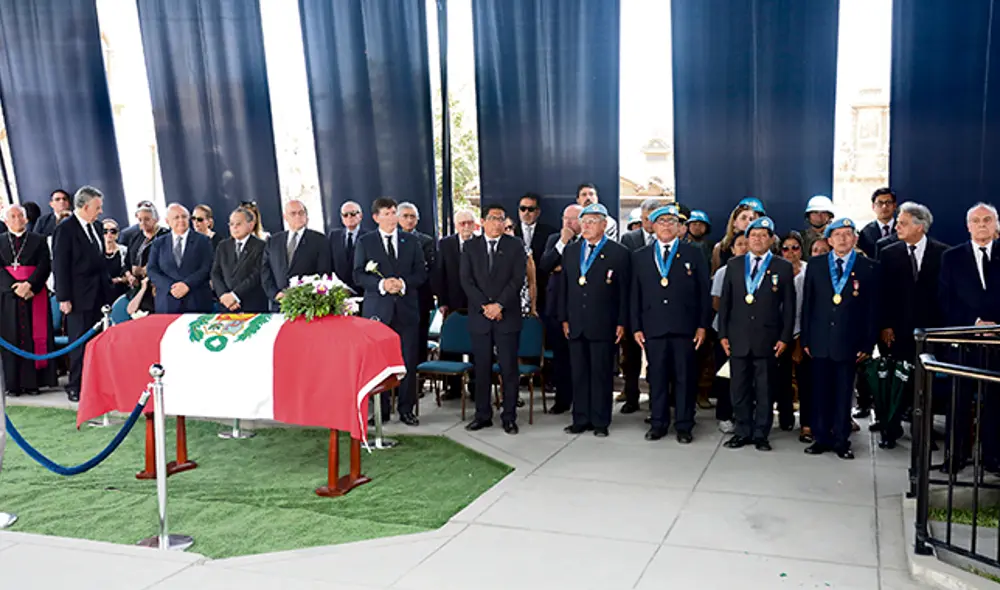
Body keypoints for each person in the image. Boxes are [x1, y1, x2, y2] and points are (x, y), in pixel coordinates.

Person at [631, 205, 711, 444]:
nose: (666, 225)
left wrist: (702, 325)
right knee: (656, 377)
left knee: (684, 377)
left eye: (671, 221)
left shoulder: (694, 252)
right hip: (653, 327)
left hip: (685, 328)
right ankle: (658, 422)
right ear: (652, 226)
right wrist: (635, 326)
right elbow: (635, 294)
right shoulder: (641, 256)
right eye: (661, 221)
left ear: (680, 227)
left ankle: (685, 425)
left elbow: (703, 293)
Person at [801, 218, 878, 460]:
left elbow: (872, 310)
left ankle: (841, 440)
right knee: (820, 391)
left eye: (848, 234)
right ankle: (820, 437)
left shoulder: (868, 267)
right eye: (838, 235)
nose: (843, 239)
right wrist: (806, 338)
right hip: (820, 340)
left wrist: (868, 343)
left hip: (849, 341)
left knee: (844, 393)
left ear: (855, 238)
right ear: (829, 240)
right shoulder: (816, 265)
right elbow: (808, 305)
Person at [718, 217, 795, 451]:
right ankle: (742, 430)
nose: (758, 239)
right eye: (753, 235)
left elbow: (789, 306)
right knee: (738, 388)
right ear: (746, 238)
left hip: (768, 340)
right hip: (738, 338)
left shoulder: (782, 267)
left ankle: (761, 433)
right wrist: (722, 334)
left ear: (771, 239)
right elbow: (725, 304)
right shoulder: (734, 264)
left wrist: (784, 337)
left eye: (763, 235)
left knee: (764, 389)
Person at [876, 202, 947, 449]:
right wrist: (884, 325)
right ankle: (890, 429)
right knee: (895, 383)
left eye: (903, 223)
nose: (897, 226)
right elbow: (882, 293)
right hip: (896, 331)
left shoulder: (942, 254)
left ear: (919, 226)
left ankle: (923, 433)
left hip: (929, 333)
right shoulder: (887, 252)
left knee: (923, 385)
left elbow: (944, 297)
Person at [938, 203, 1000, 472]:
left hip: (998, 344)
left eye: (988, 219)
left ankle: (992, 457)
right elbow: (945, 300)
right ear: (968, 226)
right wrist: (975, 323)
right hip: (965, 341)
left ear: (997, 225)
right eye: (976, 220)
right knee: (959, 401)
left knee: (996, 402)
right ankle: (956, 455)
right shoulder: (952, 257)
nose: (982, 224)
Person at [353, 197, 426, 426]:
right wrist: (382, 285)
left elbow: (421, 273)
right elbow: (357, 274)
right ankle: (381, 409)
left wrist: (402, 283)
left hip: (406, 310)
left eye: (394, 212)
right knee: (380, 363)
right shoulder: (366, 242)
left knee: (408, 360)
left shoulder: (411, 241)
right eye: (387, 213)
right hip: (378, 312)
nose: (393, 217)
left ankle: (407, 409)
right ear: (376, 217)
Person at [558, 204, 629, 437]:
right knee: (578, 372)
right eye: (584, 221)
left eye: (592, 221)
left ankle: (600, 421)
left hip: (604, 323)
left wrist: (621, 322)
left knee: (600, 373)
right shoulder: (571, 250)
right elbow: (564, 287)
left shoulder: (619, 253)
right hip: (576, 322)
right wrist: (564, 318)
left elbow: (624, 292)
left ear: (604, 224)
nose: (586, 226)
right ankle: (580, 418)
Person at [460, 203, 526, 434]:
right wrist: (485, 306)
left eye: (501, 218)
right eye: (493, 218)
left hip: (506, 316)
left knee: (508, 369)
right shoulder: (470, 247)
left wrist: (498, 305)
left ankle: (509, 416)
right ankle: (482, 414)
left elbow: (517, 280)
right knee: (482, 368)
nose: (498, 223)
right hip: (480, 318)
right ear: (483, 221)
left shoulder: (515, 245)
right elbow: (466, 281)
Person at [52, 186, 111, 402]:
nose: (100, 211)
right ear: (85, 206)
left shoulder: (95, 226)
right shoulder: (66, 229)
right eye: (97, 207)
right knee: (79, 343)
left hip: (99, 295)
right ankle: (75, 385)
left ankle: (96, 383)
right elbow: (60, 265)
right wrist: (63, 297)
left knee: (97, 343)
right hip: (78, 297)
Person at [0, 204, 56, 397]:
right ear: (6, 220)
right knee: (11, 336)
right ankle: (12, 384)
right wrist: (14, 287)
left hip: (34, 294)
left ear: (26, 219)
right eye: (12, 216)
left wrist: (30, 285)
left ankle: (33, 383)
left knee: (34, 336)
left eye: (20, 216)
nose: (17, 220)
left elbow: (45, 265)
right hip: (8, 298)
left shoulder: (38, 240)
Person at [538, 204, 583, 414]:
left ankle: (583, 400)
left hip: (580, 307)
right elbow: (545, 265)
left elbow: (577, 271)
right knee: (560, 357)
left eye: (573, 219)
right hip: (556, 307)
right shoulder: (554, 239)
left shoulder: (588, 241)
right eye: (565, 218)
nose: (568, 223)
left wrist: (561, 267)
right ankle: (562, 400)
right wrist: (563, 242)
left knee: (581, 357)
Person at [618, 198, 660, 413]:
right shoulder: (629, 239)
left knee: (656, 359)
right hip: (634, 306)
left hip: (657, 309)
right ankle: (631, 397)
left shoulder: (667, 242)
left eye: (651, 220)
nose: (648, 224)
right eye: (644, 219)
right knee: (631, 358)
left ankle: (656, 401)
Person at [434, 209, 477, 399]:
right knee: (451, 346)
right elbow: (439, 274)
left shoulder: (481, 243)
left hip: (477, 304)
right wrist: (442, 302)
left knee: (478, 346)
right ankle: (453, 388)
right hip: (452, 302)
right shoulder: (445, 244)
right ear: (456, 225)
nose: (466, 227)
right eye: (462, 223)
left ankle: (477, 387)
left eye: (469, 222)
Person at [774, 231, 812, 441]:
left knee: (806, 380)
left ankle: (806, 422)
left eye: (795, 248)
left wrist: (800, 340)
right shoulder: (775, 270)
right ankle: (785, 416)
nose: (790, 252)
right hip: (779, 333)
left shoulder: (809, 271)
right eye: (786, 248)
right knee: (781, 378)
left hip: (803, 333)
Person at [710, 230, 749, 434]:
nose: (744, 247)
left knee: (747, 377)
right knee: (725, 376)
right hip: (725, 331)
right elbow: (716, 302)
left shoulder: (758, 269)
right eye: (739, 244)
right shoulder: (724, 272)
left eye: (746, 243)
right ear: (732, 249)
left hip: (750, 333)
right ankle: (724, 415)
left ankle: (744, 415)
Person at [262, 200, 332, 311]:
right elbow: (265, 271)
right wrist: (275, 294)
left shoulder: (319, 239)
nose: (298, 216)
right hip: (279, 304)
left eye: (301, 213)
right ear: (285, 217)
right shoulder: (273, 241)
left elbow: (323, 272)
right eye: (293, 213)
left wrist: (304, 295)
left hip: (306, 305)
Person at [146, 204, 214, 314]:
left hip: (196, 301)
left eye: (184, 217)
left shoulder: (203, 241)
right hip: (167, 303)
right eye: (176, 217)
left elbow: (207, 267)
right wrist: (170, 287)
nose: (181, 220)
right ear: (167, 221)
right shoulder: (159, 243)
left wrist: (187, 285)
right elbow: (152, 270)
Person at [398, 202, 437, 368]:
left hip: (419, 298)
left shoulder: (426, 241)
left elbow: (428, 270)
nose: (409, 220)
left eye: (412, 216)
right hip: (396, 300)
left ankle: (418, 382)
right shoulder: (389, 239)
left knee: (419, 340)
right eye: (405, 216)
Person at [212, 206, 268, 313]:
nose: (234, 227)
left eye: (238, 224)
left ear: (251, 225)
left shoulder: (261, 246)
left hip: (252, 305)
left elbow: (256, 275)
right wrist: (223, 296)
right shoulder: (223, 246)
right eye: (231, 224)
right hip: (226, 305)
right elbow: (215, 273)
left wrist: (234, 296)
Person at [513, 192, 557, 312]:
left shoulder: (550, 233)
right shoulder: (509, 231)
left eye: (530, 209)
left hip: (543, 289)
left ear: (538, 212)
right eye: (523, 209)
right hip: (515, 291)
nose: (526, 212)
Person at [711, 197, 765, 272]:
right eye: (743, 218)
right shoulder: (721, 248)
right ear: (734, 222)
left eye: (752, 219)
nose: (748, 222)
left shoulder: (767, 243)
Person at [328, 201, 366, 294]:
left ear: (360, 216)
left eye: (353, 214)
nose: (349, 217)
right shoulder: (333, 236)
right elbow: (329, 263)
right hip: (339, 291)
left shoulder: (369, 237)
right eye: (345, 215)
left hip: (363, 291)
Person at [503, 219, 537, 316]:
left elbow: (532, 282)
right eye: (505, 228)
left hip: (522, 306)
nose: (508, 231)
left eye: (510, 227)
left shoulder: (525, 251)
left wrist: (533, 308)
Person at [859, 188, 897, 259]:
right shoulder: (865, 232)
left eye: (888, 202)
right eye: (880, 203)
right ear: (873, 207)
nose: (884, 206)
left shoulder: (903, 229)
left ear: (894, 206)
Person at [102, 219, 129, 302]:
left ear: (117, 234)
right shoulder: (95, 252)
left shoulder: (125, 251)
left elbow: (130, 274)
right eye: (105, 231)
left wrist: (120, 280)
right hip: (102, 293)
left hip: (121, 293)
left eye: (113, 231)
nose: (109, 234)